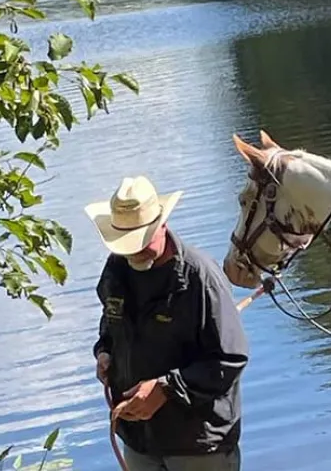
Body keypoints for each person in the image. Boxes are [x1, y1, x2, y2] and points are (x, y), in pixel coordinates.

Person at [84, 175, 249, 471]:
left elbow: (230, 359)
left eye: (142, 241)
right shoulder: (115, 270)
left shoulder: (201, 278)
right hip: (139, 441)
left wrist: (167, 388)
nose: (134, 252)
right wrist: (104, 353)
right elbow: (110, 326)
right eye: (127, 245)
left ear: (162, 224)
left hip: (198, 446)